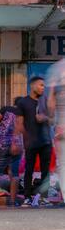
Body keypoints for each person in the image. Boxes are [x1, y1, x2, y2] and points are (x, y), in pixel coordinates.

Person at [17, 77, 53, 207]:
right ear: (32, 86)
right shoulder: (23, 102)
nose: (43, 88)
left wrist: (45, 118)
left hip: (46, 142)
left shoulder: (46, 102)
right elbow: (19, 124)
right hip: (31, 143)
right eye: (41, 85)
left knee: (45, 171)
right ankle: (27, 197)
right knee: (29, 170)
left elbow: (53, 121)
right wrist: (26, 139)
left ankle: (44, 197)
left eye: (44, 85)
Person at [47, 59, 65, 204]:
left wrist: (54, 121)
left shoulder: (57, 69)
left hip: (62, 125)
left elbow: (51, 104)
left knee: (63, 164)